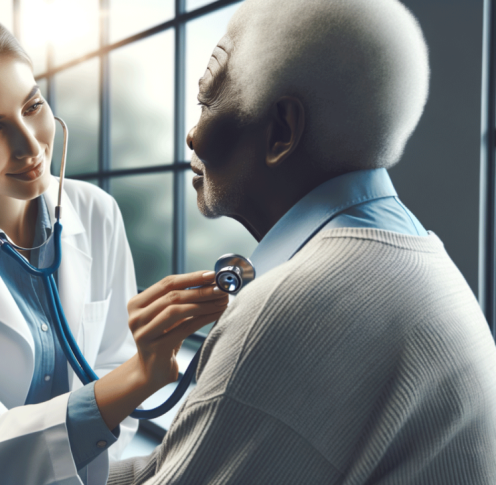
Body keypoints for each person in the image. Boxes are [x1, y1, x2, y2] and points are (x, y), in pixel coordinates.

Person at [108, 0, 496, 483]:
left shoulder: (290, 307)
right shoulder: (416, 255)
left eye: (208, 101)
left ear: (281, 132)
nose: (192, 135)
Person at [0, 6, 228, 485]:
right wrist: (140, 375)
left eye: (32, 106)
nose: (31, 146)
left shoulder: (95, 211)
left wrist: (133, 372)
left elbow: (110, 359)